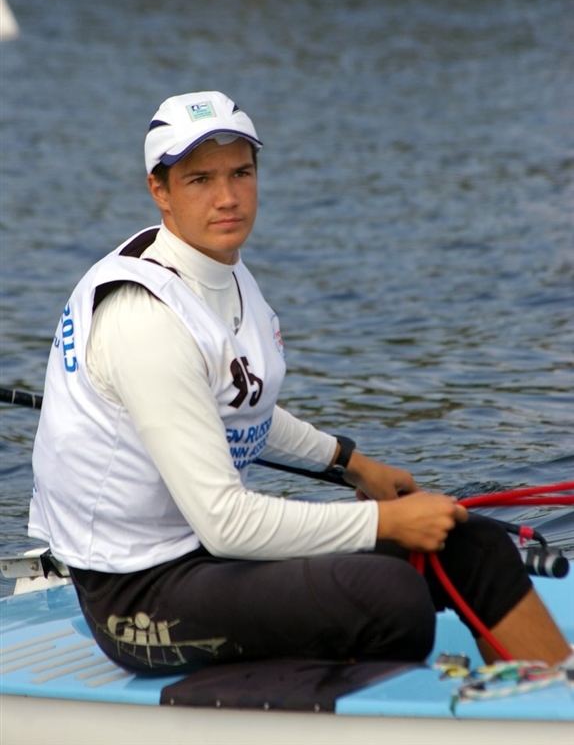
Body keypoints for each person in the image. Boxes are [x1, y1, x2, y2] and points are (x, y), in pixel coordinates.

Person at [29, 91, 570, 675]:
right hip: (136, 593)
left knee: (470, 542)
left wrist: (351, 463)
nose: (227, 197)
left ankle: (552, 696)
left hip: (202, 553)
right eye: (200, 180)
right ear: (159, 190)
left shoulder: (218, 267)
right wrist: (386, 522)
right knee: (392, 599)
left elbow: (240, 405)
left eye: (241, 173)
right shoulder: (145, 319)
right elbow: (226, 522)